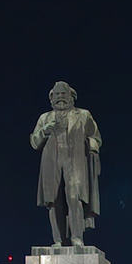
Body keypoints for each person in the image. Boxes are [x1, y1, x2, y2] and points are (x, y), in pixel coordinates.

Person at [31, 81, 101, 246]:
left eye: (63, 94)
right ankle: (58, 240)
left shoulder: (83, 115)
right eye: (57, 94)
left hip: (75, 162)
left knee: (74, 197)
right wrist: (45, 130)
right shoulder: (45, 118)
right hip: (52, 162)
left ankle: (77, 237)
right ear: (52, 98)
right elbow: (34, 142)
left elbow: (96, 137)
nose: (60, 97)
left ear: (71, 97)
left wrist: (91, 147)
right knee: (53, 200)